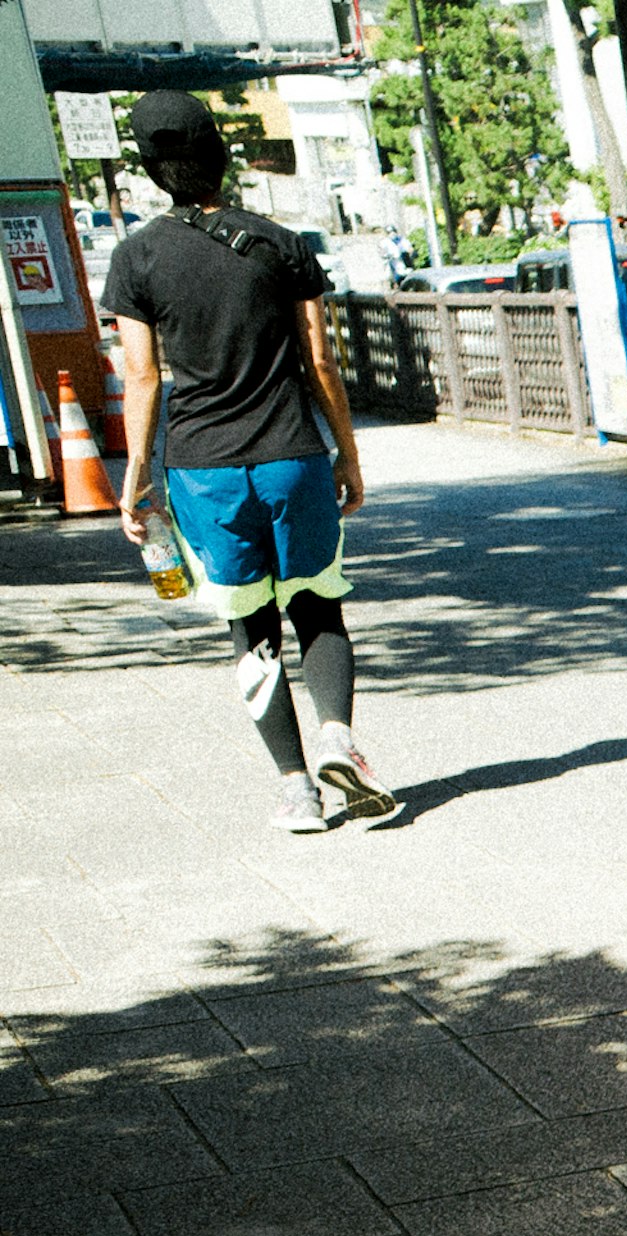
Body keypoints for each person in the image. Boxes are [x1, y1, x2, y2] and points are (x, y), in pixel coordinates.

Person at [104, 89, 397, 834]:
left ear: (150, 170)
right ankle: (338, 735)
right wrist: (348, 455)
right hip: (291, 456)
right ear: (221, 156)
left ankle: (297, 791)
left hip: (202, 467)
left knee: (251, 624)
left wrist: (137, 475)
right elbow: (321, 362)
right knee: (317, 604)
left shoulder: (137, 256)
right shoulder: (281, 242)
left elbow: (141, 377)